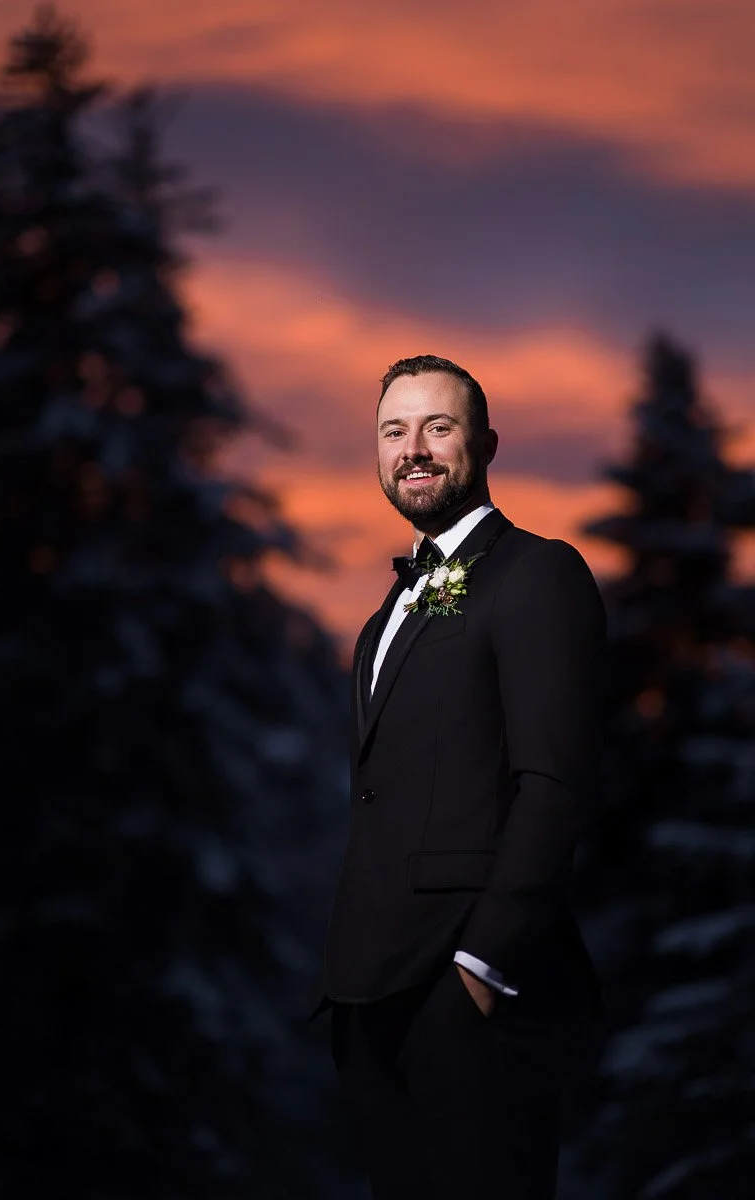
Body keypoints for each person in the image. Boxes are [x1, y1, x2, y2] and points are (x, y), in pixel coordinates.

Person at [315, 355, 608, 1200]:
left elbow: (553, 785)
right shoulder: (384, 616)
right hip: (371, 1001)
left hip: (474, 998)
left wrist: (481, 969)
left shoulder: (538, 573)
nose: (413, 448)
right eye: (393, 431)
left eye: (437, 427)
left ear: (485, 444)